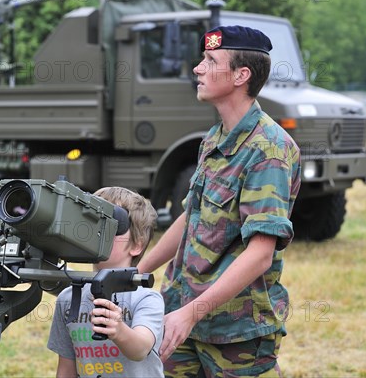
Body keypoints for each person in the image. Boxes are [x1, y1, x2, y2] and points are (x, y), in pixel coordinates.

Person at [137, 25, 301, 377]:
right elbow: (191, 217)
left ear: (242, 75)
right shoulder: (214, 138)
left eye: (211, 61)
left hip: (235, 331)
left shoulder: (268, 150)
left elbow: (259, 255)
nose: (198, 68)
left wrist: (191, 313)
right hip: (181, 312)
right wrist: (138, 271)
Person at [47, 187, 164, 378]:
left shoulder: (147, 298)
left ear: (137, 244)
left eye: (112, 226)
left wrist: (118, 330)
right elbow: (66, 370)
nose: (98, 233)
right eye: (93, 223)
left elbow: (141, 349)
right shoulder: (68, 299)